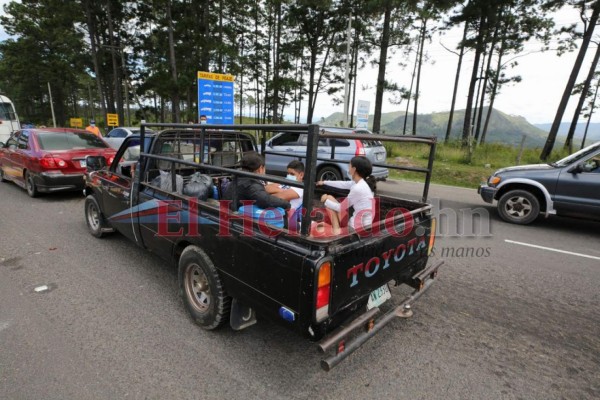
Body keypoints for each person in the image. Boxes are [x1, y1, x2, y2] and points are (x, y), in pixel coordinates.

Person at [315, 156, 376, 235]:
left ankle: (336, 232)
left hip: (356, 229)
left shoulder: (358, 188)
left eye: (349, 165)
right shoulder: (361, 183)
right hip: (362, 225)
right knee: (330, 198)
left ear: (354, 169)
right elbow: (343, 184)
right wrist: (325, 182)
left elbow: (340, 208)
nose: (348, 167)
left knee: (328, 202)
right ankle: (336, 229)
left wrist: (325, 200)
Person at [223, 151, 290, 211]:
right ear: (260, 168)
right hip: (237, 218)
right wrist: (286, 204)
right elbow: (265, 201)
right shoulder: (251, 184)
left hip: (230, 211)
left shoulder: (239, 177)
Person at [265, 160, 305, 230]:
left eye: (292, 174)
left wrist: (275, 192)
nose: (289, 176)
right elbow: (266, 188)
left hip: (286, 216)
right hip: (275, 210)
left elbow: (279, 197)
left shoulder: (300, 188)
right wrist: (282, 191)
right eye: (288, 173)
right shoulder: (286, 182)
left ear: (301, 175)